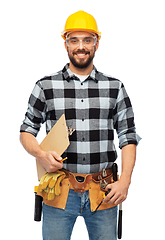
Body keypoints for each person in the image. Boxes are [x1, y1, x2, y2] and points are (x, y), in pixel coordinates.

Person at [20, 10, 141, 240]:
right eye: (74, 40)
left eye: (87, 39)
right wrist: (40, 154)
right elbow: (26, 130)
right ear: (65, 44)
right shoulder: (45, 86)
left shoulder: (115, 88)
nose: (81, 46)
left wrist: (125, 181)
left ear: (97, 43)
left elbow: (128, 136)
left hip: (104, 192)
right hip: (58, 190)